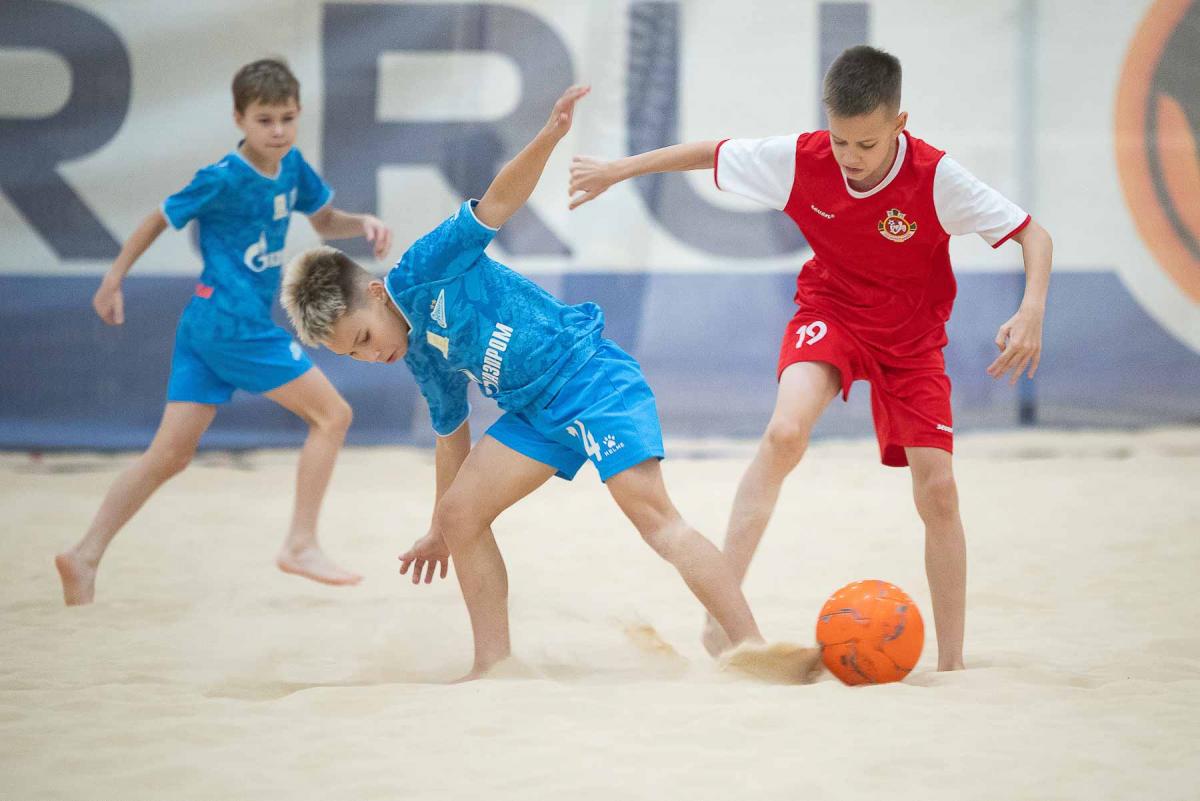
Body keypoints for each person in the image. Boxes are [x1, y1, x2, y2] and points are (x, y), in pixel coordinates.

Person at [281, 85, 817, 683]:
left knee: (656, 521)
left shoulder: (424, 267)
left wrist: (548, 136)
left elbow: (499, 202)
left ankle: (751, 645)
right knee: (461, 515)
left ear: (377, 293)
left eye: (362, 337)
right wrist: (437, 527)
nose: (369, 355)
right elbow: (451, 437)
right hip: (535, 411)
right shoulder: (417, 356)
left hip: (589, 377)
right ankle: (495, 665)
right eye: (351, 354)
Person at [567, 46, 1054, 671]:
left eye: (867, 144)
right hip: (833, 313)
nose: (851, 157)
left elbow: (1033, 234)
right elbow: (707, 153)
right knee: (784, 434)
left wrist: (1031, 309)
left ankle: (952, 665)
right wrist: (618, 170)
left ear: (900, 125)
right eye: (841, 140)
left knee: (939, 491)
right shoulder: (802, 160)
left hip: (911, 342)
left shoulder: (936, 177)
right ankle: (722, 619)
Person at [56, 58, 393, 605]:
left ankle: (84, 554)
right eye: (264, 120)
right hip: (234, 326)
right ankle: (301, 543)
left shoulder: (292, 167)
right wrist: (113, 279)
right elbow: (157, 218)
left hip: (205, 326)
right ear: (239, 119)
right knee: (333, 416)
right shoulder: (221, 178)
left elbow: (324, 221)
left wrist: (364, 223)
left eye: (287, 118)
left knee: (169, 456)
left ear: (298, 114)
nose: (278, 130)